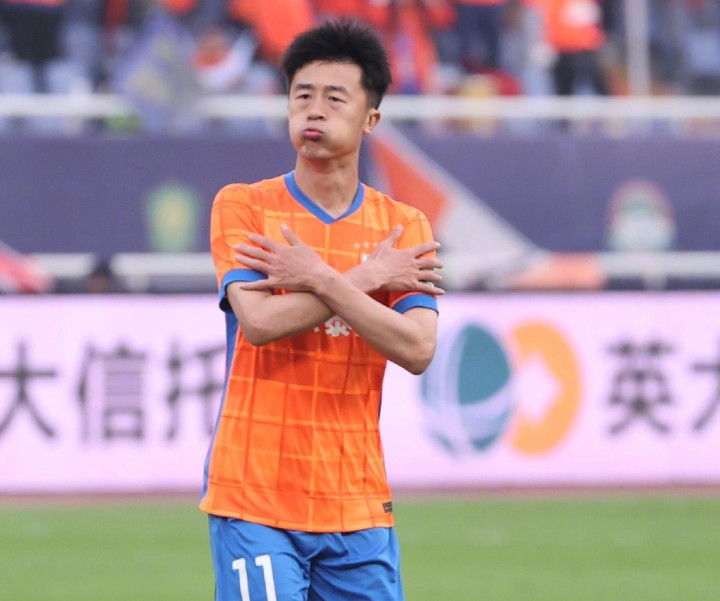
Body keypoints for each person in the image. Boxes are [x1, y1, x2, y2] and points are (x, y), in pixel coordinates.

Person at [202, 19, 444, 601]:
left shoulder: (403, 227)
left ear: (370, 119)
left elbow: (417, 348)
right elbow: (260, 324)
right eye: (301, 95)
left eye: (334, 99)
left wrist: (318, 278)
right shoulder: (245, 206)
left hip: (356, 499)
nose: (313, 110)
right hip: (254, 491)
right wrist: (364, 278)